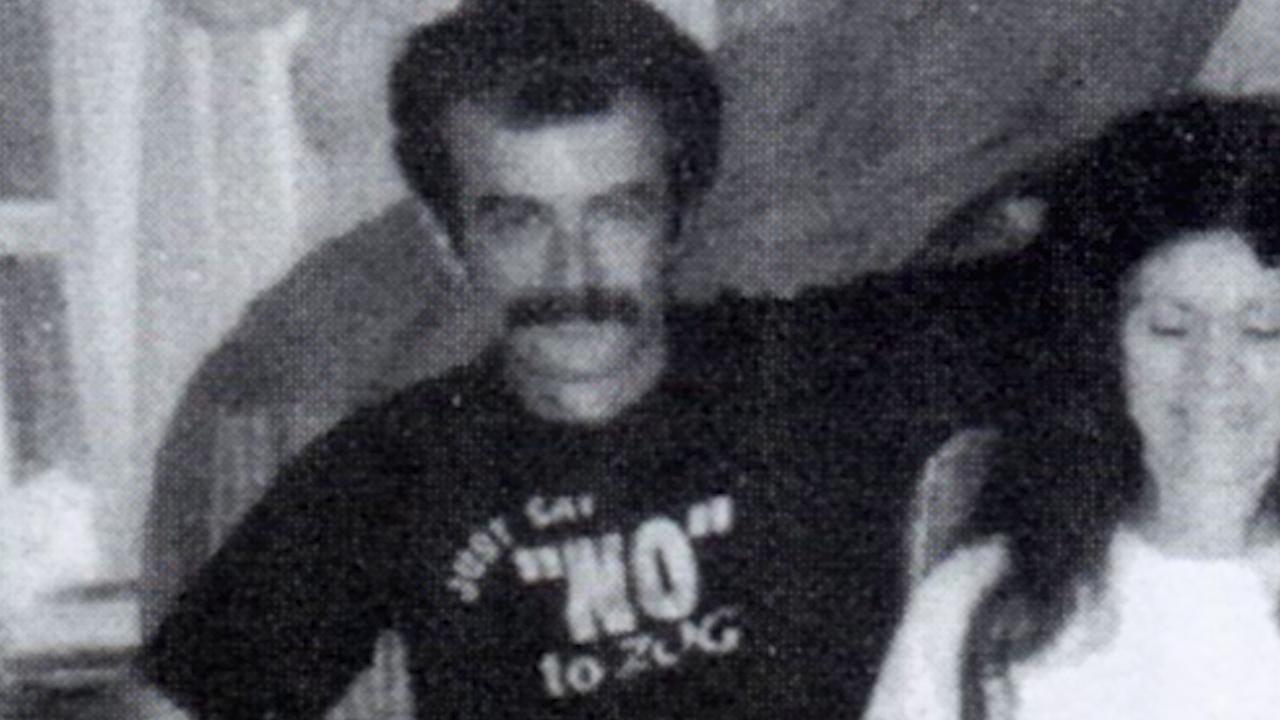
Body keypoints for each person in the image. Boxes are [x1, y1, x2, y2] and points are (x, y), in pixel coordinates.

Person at [139, 1, 905, 717]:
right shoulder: (391, 470)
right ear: (449, 242)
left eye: (616, 213)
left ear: (678, 218)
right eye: (519, 222)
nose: (573, 274)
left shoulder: (824, 363)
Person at [862, 96, 1280, 720]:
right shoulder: (976, 605)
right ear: (1102, 346)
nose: (1214, 371)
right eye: (1170, 328)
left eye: (1264, 330)